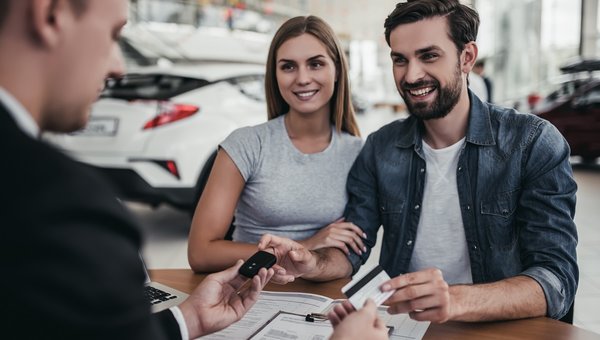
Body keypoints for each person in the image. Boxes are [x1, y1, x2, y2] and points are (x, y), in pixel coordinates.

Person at [259, 0, 578, 323]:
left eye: (429, 56)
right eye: (400, 59)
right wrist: (312, 261)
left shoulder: (532, 143)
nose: (411, 75)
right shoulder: (381, 147)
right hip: (406, 326)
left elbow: (557, 279)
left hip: (500, 329)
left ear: (466, 57)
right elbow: (352, 246)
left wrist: (455, 300)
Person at [0, 1, 274, 339]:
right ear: (51, 14)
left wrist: (188, 320)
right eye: (113, 34)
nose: (118, 68)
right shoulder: (61, 206)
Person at [187, 15, 365, 273]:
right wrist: (301, 247)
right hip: (249, 292)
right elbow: (201, 253)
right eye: (288, 66)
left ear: (336, 70)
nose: (302, 78)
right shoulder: (247, 144)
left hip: (319, 297)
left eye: (315, 64)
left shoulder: (358, 153)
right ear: (275, 75)